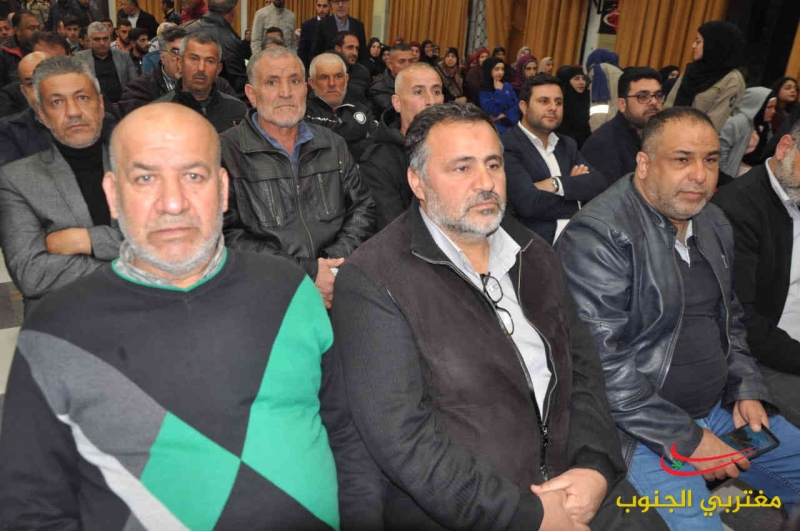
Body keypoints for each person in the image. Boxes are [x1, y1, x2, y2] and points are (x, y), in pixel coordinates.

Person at [0, 102, 359, 529]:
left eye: (193, 176)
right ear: (113, 195)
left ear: (222, 190)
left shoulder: (291, 290)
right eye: (145, 178)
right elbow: (31, 506)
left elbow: (346, 435)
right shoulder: (57, 327)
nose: (172, 203)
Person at [331, 101, 670, 531]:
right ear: (417, 182)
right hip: (477, 512)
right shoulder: (374, 279)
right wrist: (527, 516)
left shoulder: (535, 253)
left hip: (577, 483)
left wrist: (596, 466)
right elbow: (404, 439)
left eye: (493, 164)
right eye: (462, 168)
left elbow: (584, 371)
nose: (486, 182)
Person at [556, 106, 800, 531]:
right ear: (645, 163)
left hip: (718, 408)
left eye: (710, 159)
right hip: (636, 429)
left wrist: (745, 386)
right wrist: (688, 438)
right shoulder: (598, 235)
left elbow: (731, 319)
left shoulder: (713, 221)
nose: (700, 175)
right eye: (682, 159)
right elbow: (602, 369)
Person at [221, 47, 375, 308]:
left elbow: (363, 209)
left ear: (306, 89)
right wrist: (307, 272)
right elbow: (224, 235)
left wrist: (330, 267)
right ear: (251, 94)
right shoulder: (225, 151)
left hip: (335, 287)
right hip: (266, 296)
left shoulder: (333, 143)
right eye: (272, 82)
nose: (286, 92)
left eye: (294, 81)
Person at [0, 56, 120, 310]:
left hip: (144, 313)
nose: (73, 111)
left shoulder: (140, 166)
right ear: (42, 115)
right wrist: (131, 265)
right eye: (57, 102)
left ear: (100, 105)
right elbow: (32, 274)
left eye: (82, 97)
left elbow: (172, 245)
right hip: (64, 317)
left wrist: (88, 240)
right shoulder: (17, 179)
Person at [712, 121, 800, 427]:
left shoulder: (793, 190)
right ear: (785, 147)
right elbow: (742, 321)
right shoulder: (737, 208)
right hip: (763, 357)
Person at [502, 74, 606, 244]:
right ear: (524, 107)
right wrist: (577, 196)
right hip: (535, 246)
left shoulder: (567, 144)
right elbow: (528, 203)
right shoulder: (507, 144)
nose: (553, 108)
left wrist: (556, 183)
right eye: (544, 101)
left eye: (558, 102)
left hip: (579, 239)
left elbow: (598, 184)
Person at [359, 61, 443, 230]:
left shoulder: (457, 146)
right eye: (418, 92)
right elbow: (395, 230)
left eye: (436, 91)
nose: (431, 101)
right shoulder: (377, 161)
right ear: (397, 103)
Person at [582, 67, 664, 186]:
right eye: (643, 96)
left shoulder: (662, 135)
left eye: (658, 95)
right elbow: (609, 196)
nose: (654, 102)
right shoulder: (604, 143)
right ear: (622, 104)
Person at [155, 31, 245, 133]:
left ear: (218, 69)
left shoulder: (238, 110)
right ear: (180, 63)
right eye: (194, 59)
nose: (201, 68)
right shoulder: (158, 113)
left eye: (209, 61)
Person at [665, 20, 746, 133]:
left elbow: (713, 125)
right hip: (668, 132)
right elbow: (668, 106)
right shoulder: (691, 70)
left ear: (714, 45)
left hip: (697, 139)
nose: (693, 46)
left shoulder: (732, 80)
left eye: (698, 42)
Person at [304, 52, 375, 159]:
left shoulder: (362, 110)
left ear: (346, 79)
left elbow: (377, 140)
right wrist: (361, 133)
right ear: (312, 83)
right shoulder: (304, 111)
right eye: (324, 77)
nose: (332, 83)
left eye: (338, 76)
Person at [183, 0, 248, 98]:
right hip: (217, 101)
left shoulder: (184, 28)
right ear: (234, 10)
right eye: (194, 58)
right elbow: (238, 87)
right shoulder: (231, 41)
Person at [0, 50, 50, 164]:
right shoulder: (7, 131)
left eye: (46, 79)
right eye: (31, 83)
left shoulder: (86, 120)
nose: (40, 90)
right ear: (24, 91)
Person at [75, 22, 138, 105]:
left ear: (110, 39)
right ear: (90, 41)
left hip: (122, 103)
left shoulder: (124, 56)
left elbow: (134, 83)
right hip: (94, 105)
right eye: (97, 39)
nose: (102, 43)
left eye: (105, 39)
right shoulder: (80, 58)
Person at [719, 87, 775, 177]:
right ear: (757, 105)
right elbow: (721, 151)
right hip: (730, 175)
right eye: (769, 107)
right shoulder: (737, 123)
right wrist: (724, 177)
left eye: (774, 107)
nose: (773, 111)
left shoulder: (766, 126)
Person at [368, 41, 412, 117]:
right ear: (390, 64)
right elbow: (396, 112)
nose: (408, 66)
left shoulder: (416, 82)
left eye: (411, 61)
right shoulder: (379, 87)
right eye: (402, 61)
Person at [479, 56, 519, 134]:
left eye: (502, 69)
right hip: (494, 130)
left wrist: (504, 114)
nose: (500, 72)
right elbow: (494, 112)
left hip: (512, 125)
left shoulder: (507, 86)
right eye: (496, 69)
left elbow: (517, 106)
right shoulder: (483, 91)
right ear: (489, 70)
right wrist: (498, 91)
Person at [584, 49, 622, 131]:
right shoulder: (620, 72)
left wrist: (596, 131)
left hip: (605, 126)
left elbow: (599, 105)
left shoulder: (598, 70)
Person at [555, 65, 591, 148]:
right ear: (567, 81)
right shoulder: (559, 102)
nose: (582, 82)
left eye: (583, 78)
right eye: (576, 79)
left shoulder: (587, 98)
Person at [0, 10, 38, 86]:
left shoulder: (43, 46)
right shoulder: (3, 53)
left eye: (38, 27)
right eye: (32, 28)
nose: (37, 31)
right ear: (17, 31)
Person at [297, 0, 329, 72]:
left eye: (325, 6)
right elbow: (302, 51)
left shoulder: (334, 25)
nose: (321, 9)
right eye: (319, 6)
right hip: (310, 67)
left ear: (330, 7)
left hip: (329, 65)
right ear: (316, 6)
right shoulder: (307, 25)